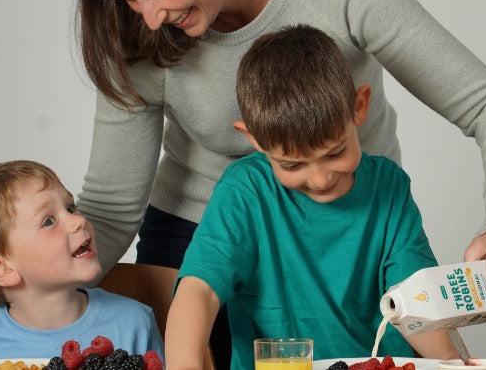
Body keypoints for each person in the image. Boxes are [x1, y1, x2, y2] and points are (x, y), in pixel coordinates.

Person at [75, 0, 486, 367]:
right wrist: (38, 285)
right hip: (204, 230)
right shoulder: (138, 31)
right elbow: (110, 208)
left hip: (356, 229)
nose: (149, 18)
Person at [165, 25, 459, 368]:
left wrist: (454, 363)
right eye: (292, 164)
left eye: (335, 153)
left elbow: (416, 303)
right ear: (254, 138)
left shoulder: (389, 188)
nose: (320, 179)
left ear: (359, 107)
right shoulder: (244, 193)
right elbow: (198, 292)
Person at [0, 160, 164, 363]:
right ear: (2, 269)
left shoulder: (134, 322)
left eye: (70, 208)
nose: (77, 221)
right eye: (48, 221)